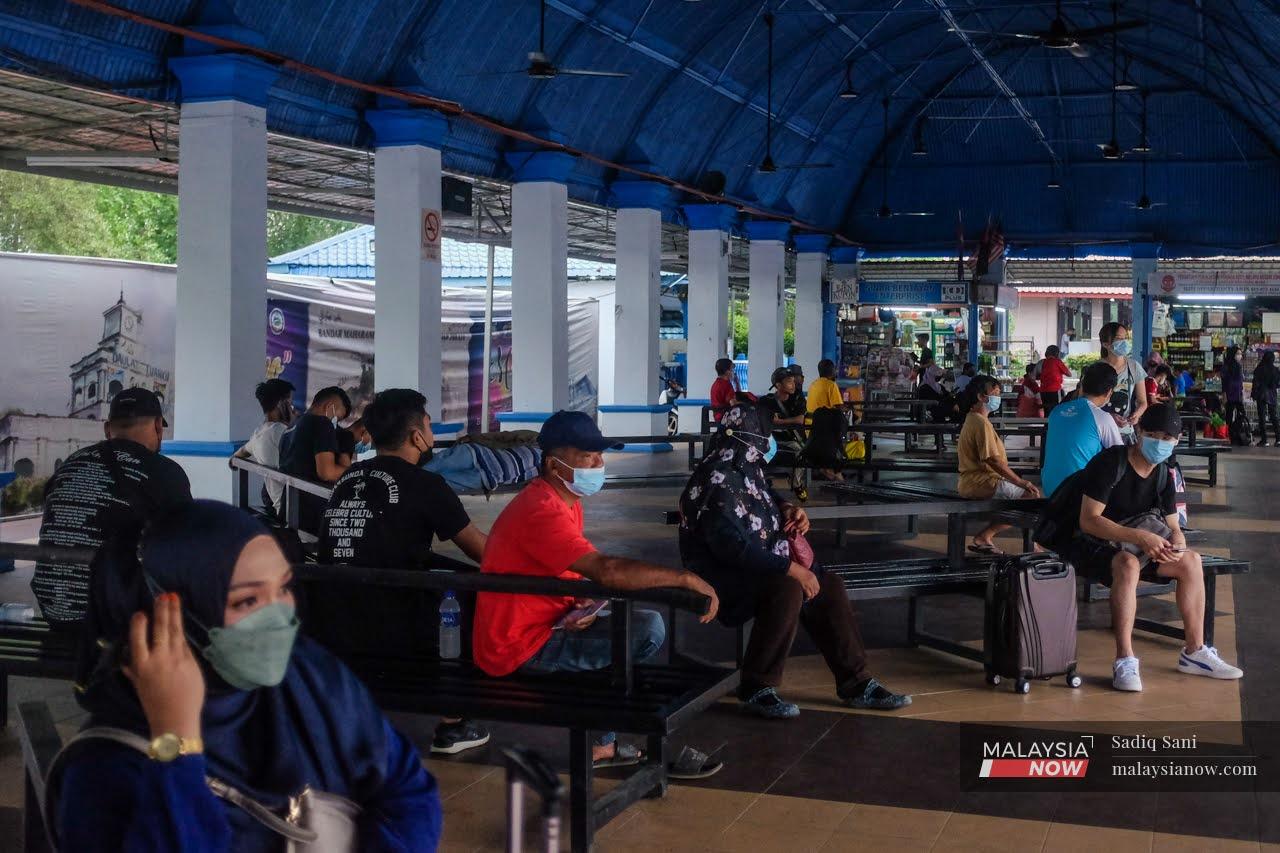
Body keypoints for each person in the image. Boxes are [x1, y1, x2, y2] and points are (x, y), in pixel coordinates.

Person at [55, 500, 442, 851]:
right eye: (247, 600)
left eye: (284, 587)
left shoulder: (310, 676)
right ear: (164, 617)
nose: (281, 617)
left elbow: (408, 789)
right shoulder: (102, 770)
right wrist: (175, 739)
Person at [472, 411, 720, 768]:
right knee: (646, 629)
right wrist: (684, 578)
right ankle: (609, 735)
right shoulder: (541, 510)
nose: (599, 463)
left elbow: (567, 570)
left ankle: (605, 738)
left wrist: (580, 605)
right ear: (553, 465)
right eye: (588, 456)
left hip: (543, 628)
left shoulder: (561, 501)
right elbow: (607, 570)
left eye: (599, 455)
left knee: (631, 629)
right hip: (520, 646)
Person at [678, 404, 910, 718]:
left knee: (828, 585)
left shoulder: (746, 467)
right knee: (787, 588)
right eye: (765, 435)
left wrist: (787, 508)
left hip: (760, 564)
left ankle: (856, 683)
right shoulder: (715, 481)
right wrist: (792, 569)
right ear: (750, 438)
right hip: (721, 575)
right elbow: (731, 548)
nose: (769, 441)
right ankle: (757, 685)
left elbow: (765, 493)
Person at [316, 389, 490, 756]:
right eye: (428, 424)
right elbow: (481, 550)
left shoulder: (348, 480)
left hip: (334, 619)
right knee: (470, 593)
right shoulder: (427, 485)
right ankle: (453, 721)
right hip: (397, 626)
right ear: (417, 436)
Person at [1071, 404, 1243, 692]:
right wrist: (1141, 538)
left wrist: (1177, 541)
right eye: (1154, 435)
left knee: (1191, 561)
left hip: (1138, 541)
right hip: (1093, 541)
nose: (1161, 443)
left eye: (1168, 438)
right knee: (1128, 565)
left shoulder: (1164, 473)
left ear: (1176, 441)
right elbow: (1088, 521)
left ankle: (1195, 652)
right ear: (1138, 432)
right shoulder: (1111, 463)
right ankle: (1125, 659)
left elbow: (1174, 525)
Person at [34, 388, 192, 626]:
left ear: (108, 428)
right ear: (159, 426)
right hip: (117, 623)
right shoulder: (165, 472)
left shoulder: (70, 465)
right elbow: (186, 549)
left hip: (56, 610)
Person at [955, 376, 1042, 554]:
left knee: (1027, 497)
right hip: (982, 482)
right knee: (1031, 496)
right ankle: (988, 536)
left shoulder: (974, 419)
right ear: (981, 397)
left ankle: (988, 537)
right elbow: (992, 460)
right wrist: (1020, 482)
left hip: (974, 481)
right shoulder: (979, 422)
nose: (998, 397)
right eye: (995, 393)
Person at [1040, 362, 1123, 496]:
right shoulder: (1102, 418)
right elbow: (1120, 459)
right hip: (1078, 494)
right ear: (1109, 392)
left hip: (1049, 489)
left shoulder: (1056, 412)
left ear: (1082, 386)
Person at [278, 385, 352, 533]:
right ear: (330, 406)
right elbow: (327, 472)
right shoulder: (322, 424)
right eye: (338, 417)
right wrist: (357, 471)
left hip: (289, 510)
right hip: (313, 515)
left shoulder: (291, 427)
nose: (336, 422)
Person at [228, 378, 296, 519]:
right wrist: (293, 423)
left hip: (279, 505)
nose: (292, 408)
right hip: (293, 508)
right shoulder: (281, 432)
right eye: (290, 403)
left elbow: (236, 457)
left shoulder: (258, 433)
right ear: (281, 404)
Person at [1098, 322, 1149, 442]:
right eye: (1118, 339)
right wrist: (1109, 417)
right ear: (1105, 344)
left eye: (1125, 338)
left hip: (1125, 433)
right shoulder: (1096, 369)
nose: (1124, 342)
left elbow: (1143, 402)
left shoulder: (1134, 367)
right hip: (1100, 432)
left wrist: (1136, 415)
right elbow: (1085, 403)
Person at [804, 359, 847, 481]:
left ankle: (827, 470)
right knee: (842, 433)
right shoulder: (831, 385)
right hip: (823, 430)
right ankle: (837, 472)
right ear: (832, 371)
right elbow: (838, 407)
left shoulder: (813, 384)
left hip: (810, 428)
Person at [1252, 350, 1280, 446]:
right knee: (1274, 416)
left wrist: (1254, 394)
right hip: (1272, 394)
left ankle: (1264, 440)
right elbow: (1277, 384)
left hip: (1261, 394)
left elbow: (1255, 382)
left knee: (1262, 417)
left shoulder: (1259, 368)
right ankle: (1278, 439)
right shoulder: (1276, 370)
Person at [1037, 345, 1072, 416]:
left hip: (1043, 391)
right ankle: (1054, 425)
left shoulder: (1042, 362)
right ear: (1057, 353)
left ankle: (1046, 426)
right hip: (1054, 390)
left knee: (1046, 410)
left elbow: (1035, 375)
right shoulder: (1057, 362)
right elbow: (1069, 374)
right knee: (1056, 410)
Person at [1221, 345, 1246, 435]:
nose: (1240, 356)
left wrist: (1242, 393)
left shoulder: (1238, 366)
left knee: (1241, 414)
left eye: (1240, 354)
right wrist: (1224, 395)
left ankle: (1236, 432)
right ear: (1233, 354)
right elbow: (1224, 382)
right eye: (1238, 354)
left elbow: (1240, 382)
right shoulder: (1226, 367)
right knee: (1229, 415)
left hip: (1237, 394)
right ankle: (1229, 433)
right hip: (1230, 394)